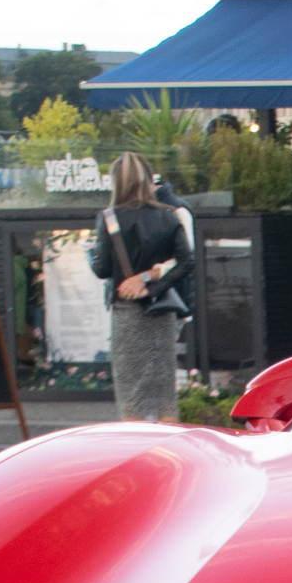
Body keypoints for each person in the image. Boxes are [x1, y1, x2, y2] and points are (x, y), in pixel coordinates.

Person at [88, 152, 195, 422]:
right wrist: (153, 287)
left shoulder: (110, 218)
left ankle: (138, 455)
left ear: (117, 183)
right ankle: (171, 456)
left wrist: (90, 253)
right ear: (148, 179)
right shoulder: (169, 215)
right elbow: (186, 261)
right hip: (161, 313)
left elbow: (101, 269)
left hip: (128, 313)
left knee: (132, 394)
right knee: (163, 395)